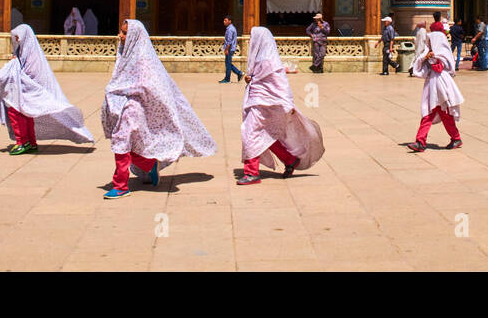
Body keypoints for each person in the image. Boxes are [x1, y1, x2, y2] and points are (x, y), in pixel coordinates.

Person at [101, 19, 217, 199]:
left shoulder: (144, 59)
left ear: (134, 36)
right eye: (121, 32)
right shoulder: (126, 54)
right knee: (126, 143)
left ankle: (121, 184)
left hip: (134, 107)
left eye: (124, 33)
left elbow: (150, 85)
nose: (120, 36)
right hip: (126, 104)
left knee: (121, 141)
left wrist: (127, 89)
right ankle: (149, 165)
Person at [238, 27, 325, 185]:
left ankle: (251, 173)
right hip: (259, 103)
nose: (251, 42)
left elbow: (281, 84)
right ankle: (290, 160)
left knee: (250, 134)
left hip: (268, 105)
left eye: (253, 38)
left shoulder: (269, 61)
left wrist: (288, 104)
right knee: (266, 134)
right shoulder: (260, 59)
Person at [0, 24, 93, 155]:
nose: (16, 40)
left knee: (16, 113)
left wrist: (15, 69)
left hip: (29, 91)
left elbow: (32, 74)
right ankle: (30, 142)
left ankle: (23, 142)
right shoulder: (22, 52)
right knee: (25, 114)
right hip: (22, 91)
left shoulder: (32, 55)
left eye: (17, 37)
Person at [405, 30, 464, 152]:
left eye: (431, 42)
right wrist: (424, 59)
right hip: (432, 88)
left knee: (446, 116)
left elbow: (440, 67)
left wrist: (432, 59)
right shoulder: (430, 53)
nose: (429, 44)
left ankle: (455, 138)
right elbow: (422, 71)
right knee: (427, 114)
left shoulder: (443, 54)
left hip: (442, 87)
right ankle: (420, 141)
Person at [220, 15, 243, 83]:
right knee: (228, 63)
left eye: (226, 20)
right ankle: (239, 73)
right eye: (224, 20)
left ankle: (228, 79)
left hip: (229, 49)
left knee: (228, 64)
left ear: (230, 21)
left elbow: (229, 41)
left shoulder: (230, 29)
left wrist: (226, 49)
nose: (224, 22)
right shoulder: (231, 28)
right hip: (231, 48)